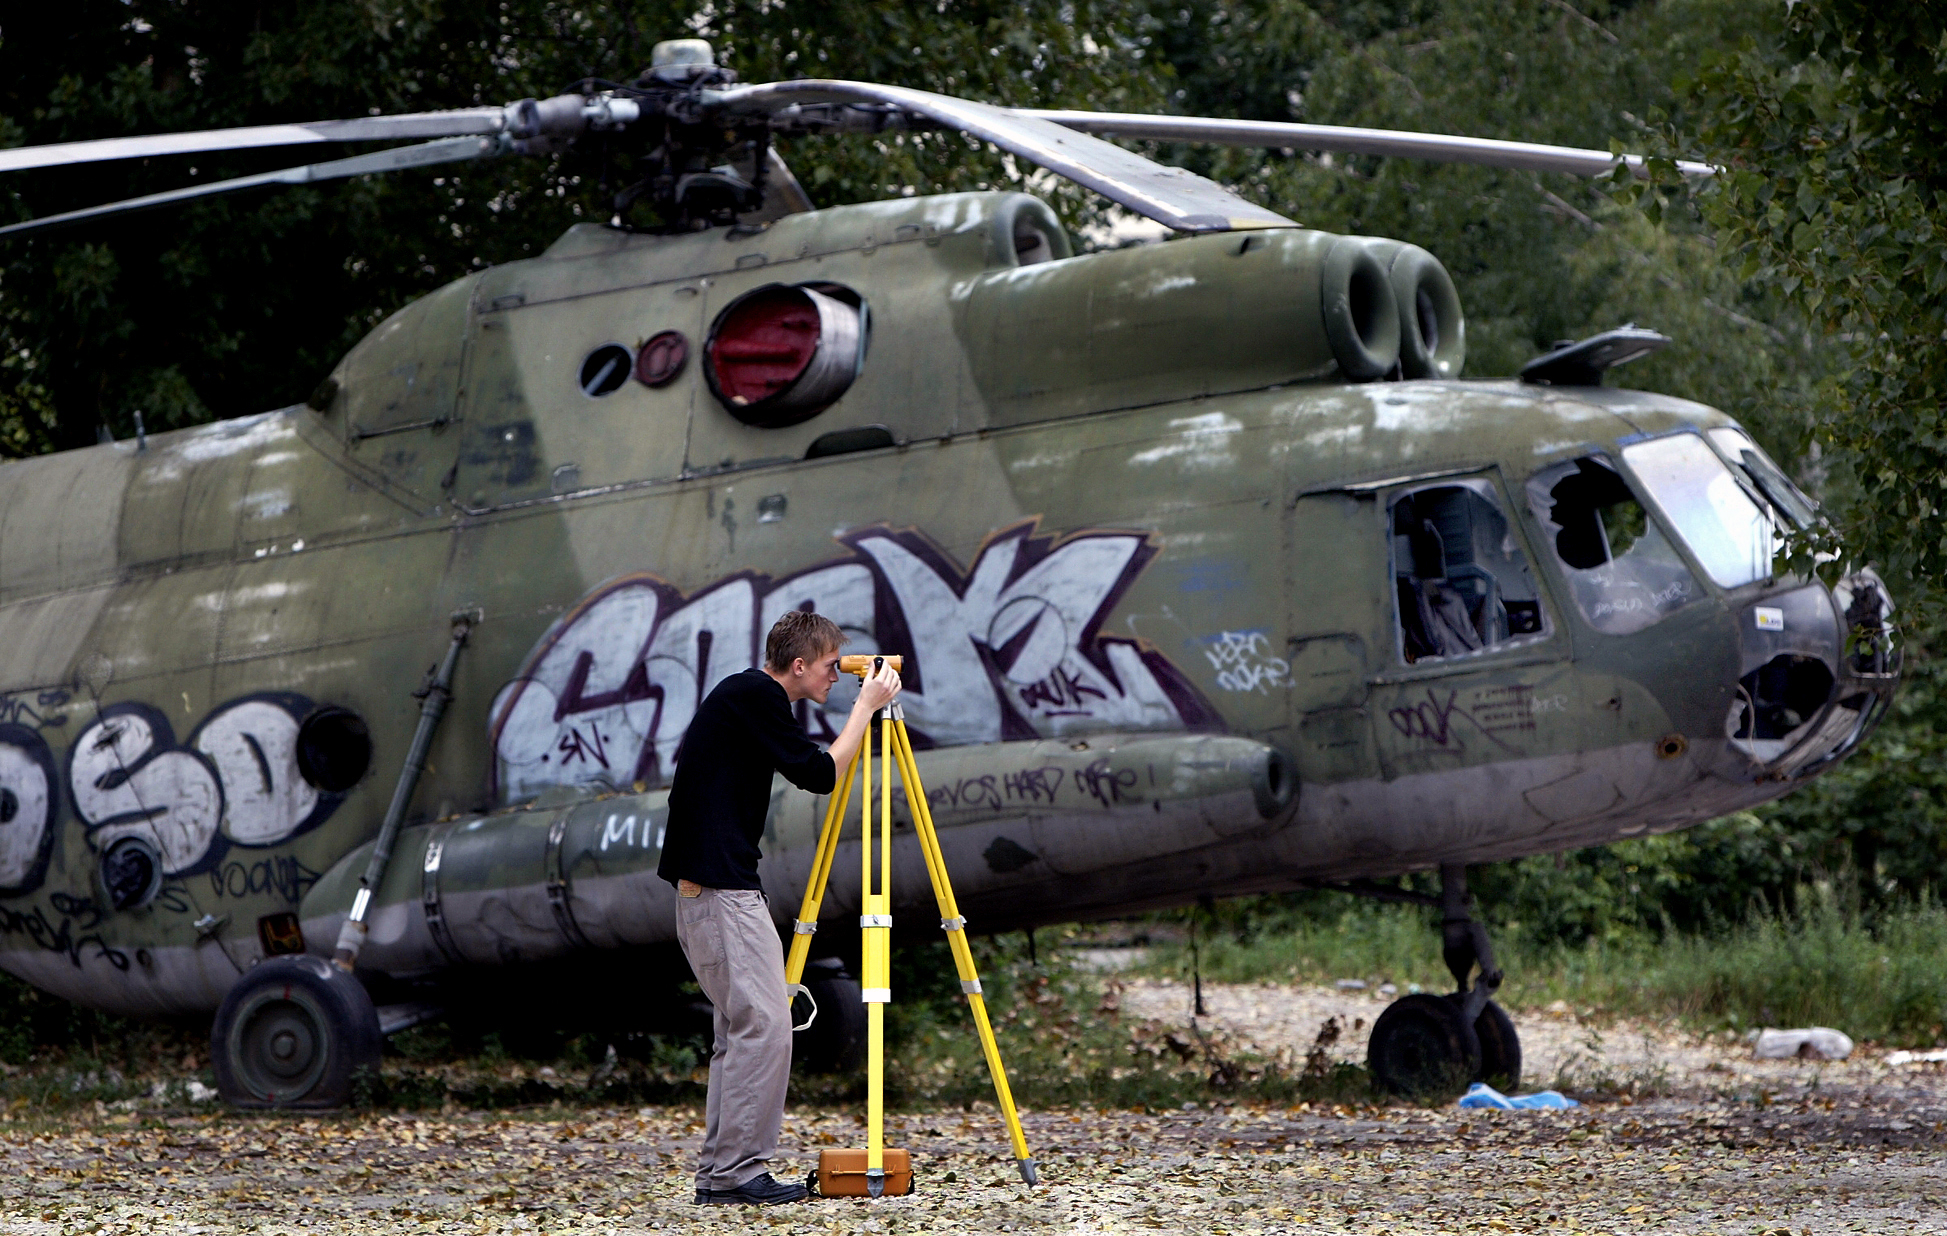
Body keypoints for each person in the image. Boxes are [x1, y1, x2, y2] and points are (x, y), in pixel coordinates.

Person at [658, 610, 901, 1206]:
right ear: (797, 666)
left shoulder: (744, 696)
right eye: (826, 667)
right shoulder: (757, 695)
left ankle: (723, 1172)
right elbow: (819, 773)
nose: (834, 677)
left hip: (711, 889)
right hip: (722, 892)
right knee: (766, 1028)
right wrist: (866, 709)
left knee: (740, 1029)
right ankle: (738, 1174)